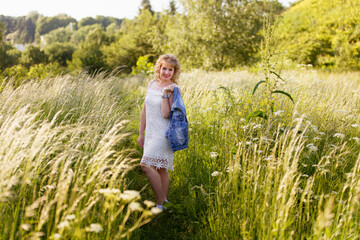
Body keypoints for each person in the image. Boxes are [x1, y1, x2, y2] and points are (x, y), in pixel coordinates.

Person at [138, 54, 181, 210]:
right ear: (159, 68)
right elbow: (145, 109)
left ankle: (160, 201)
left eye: (170, 69)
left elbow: (165, 114)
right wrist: (141, 132)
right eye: (164, 68)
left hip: (163, 134)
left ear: (174, 72)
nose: (167, 72)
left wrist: (165, 94)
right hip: (150, 133)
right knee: (160, 168)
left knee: (145, 165)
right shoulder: (151, 83)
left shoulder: (173, 88)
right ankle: (165, 202)